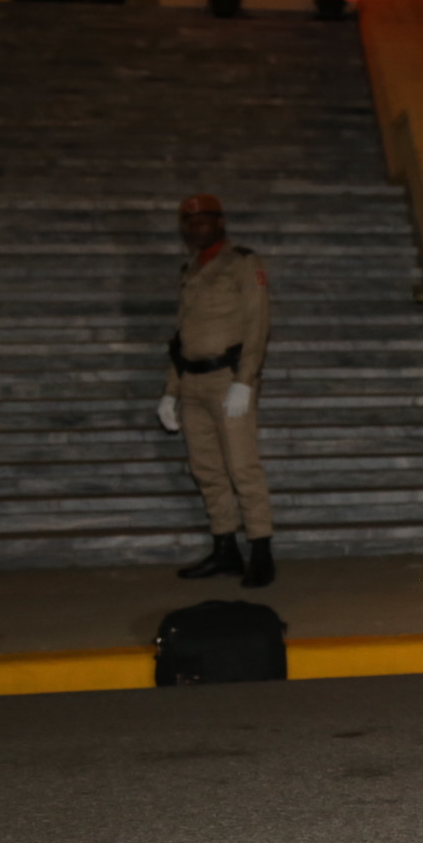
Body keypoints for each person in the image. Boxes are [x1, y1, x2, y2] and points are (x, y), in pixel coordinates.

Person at [157, 195, 277, 588]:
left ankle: (261, 549)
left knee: (242, 467)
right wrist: (171, 391)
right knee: (206, 470)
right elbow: (181, 334)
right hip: (192, 382)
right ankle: (225, 549)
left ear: (220, 223)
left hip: (228, 379)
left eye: (204, 221)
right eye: (189, 223)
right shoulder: (190, 269)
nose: (196, 228)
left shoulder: (242, 262)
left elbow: (258, 323)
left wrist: (245, 380)